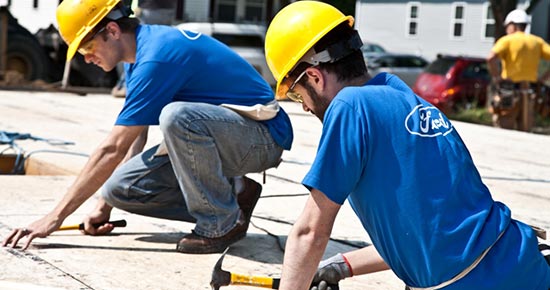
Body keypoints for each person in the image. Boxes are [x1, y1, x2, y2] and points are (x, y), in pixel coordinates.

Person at [264, 1, 550, 290]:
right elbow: (427, 236)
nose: (305, 108)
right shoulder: (406, 99)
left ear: (314, 77)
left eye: (299, 96)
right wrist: (343, 266)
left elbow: (310, 232)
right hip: (519, 263)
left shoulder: (349, 106)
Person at [2, 0, 293, 254]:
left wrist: (53, 218)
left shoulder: (157, 56)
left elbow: (112, 148)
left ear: (113, 31)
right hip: (228, 136)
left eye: (87, 46)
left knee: (177, 117)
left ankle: (220, 223)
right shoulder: (137, 58)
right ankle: (235, 193)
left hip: (262, 138)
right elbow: (132, 139)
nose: (86, 57)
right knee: (120, 188)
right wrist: (104, 206)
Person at [486, 9, 550, 132]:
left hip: (509, 92)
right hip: (530, 92)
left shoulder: (507, 40)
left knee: (504, 131)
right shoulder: (537, 41)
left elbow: (490, 58)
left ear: (513, 25)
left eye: (507, 26)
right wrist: (544, 78)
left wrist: (496, 77)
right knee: (525, 133)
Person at [111, 0, 177, 98]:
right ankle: (146, 85)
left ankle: (126, 86)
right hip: (168, 8)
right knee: (158, 47)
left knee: (137, 47)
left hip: (149, 8)